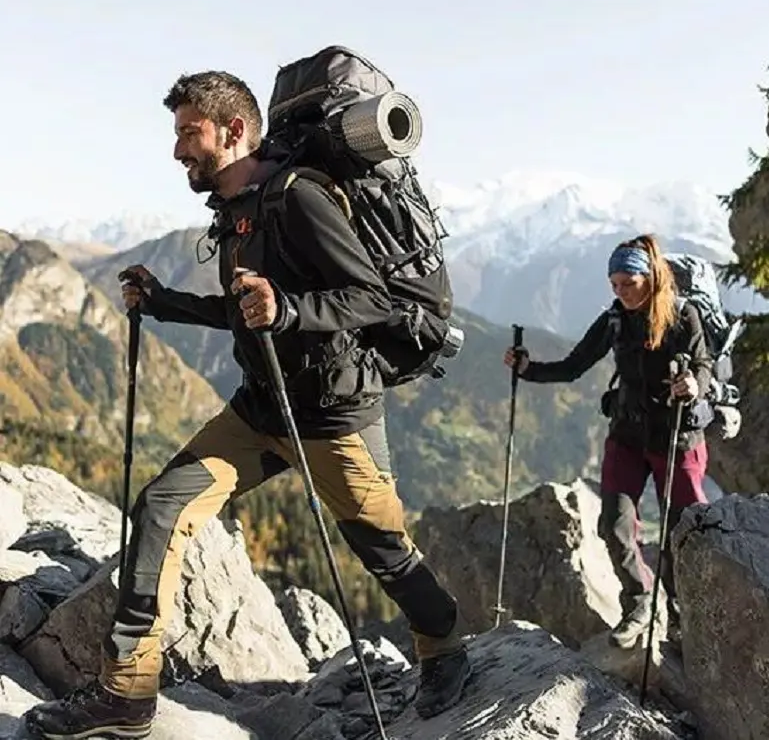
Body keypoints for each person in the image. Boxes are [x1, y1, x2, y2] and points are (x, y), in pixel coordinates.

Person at [25, 70, 470, 739]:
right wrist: (166, 301)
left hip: (332, 417)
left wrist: (288, 308)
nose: (178, 150)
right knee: (162, 504)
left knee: (382, 549)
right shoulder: (239, 210)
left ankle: (444, 649)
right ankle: (127, 692)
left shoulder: (297, 199)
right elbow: (245, 311)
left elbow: (374, 298)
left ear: (233, 131)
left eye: (188, 133)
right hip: (261, 408)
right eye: (176, 134)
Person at [503, 234, 712, 649]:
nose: (620, 292)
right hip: (628, 433)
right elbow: (574, 365)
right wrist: (528, 369)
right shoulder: (615, 319)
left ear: (650, 277)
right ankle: (639, 602)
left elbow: (703, 364)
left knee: (685, 530)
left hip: (677, 434)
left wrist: (694, 382)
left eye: (627, 283)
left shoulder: (683, 316)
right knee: (613, 523)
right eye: (614, 284)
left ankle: (681, 612)